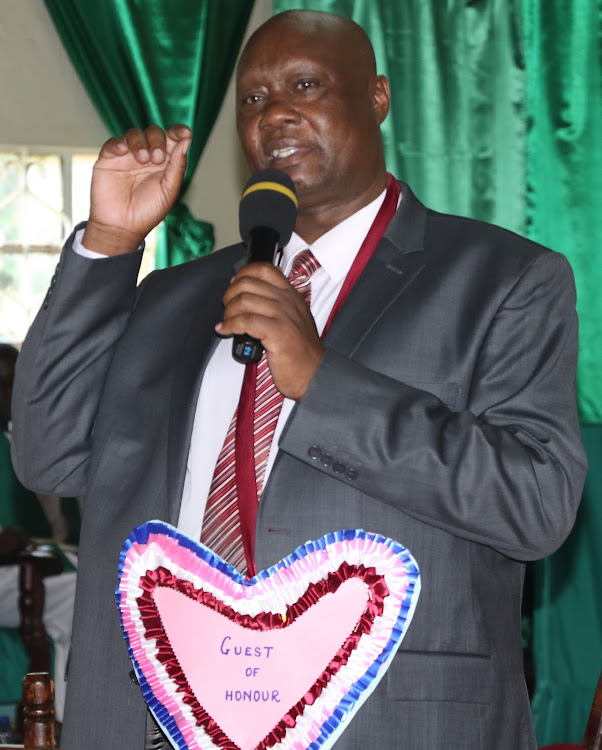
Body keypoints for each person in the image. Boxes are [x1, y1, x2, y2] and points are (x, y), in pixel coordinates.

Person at [10, 9, 586, 750]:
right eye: (251, 98)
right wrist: (112, 245)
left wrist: (322, 381)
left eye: (306, 85)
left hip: (382, 719)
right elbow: (48, 453)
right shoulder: (175, 296)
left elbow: (535, 504)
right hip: (155, 719)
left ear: (376, 97)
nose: (273, 111)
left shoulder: (501, 279)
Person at [0, 344, 77, 724]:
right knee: (78, 595)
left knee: (87, 588)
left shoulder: (19, 443)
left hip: (24, 567)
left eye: (15, 385)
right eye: (3, 385)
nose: (9, 395)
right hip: (8, 572)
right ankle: (66, 724)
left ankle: (66, 722)